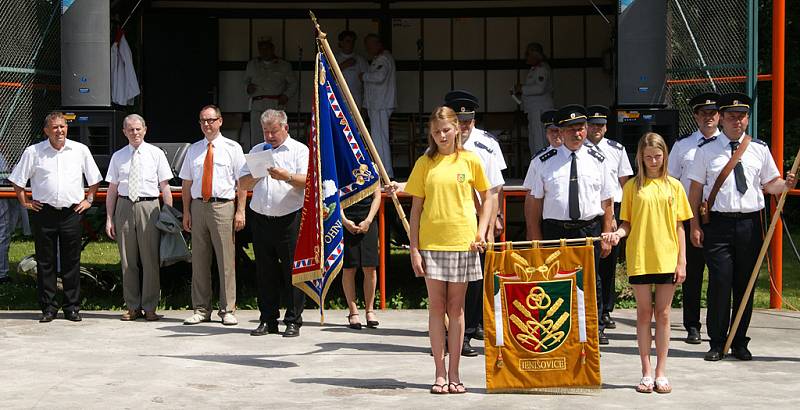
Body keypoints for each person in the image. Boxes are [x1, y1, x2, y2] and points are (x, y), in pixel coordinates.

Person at [687, 93, 797, 361]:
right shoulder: (706, 151)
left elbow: (771, 184)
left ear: (747, 119)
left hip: (750, 224)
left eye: (742, 116)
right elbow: (695, 191)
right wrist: (694, 226)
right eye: (732, 116)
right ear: (721, 118)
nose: (738, 121)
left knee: (744, 284)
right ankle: (716, 341)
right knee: (720, 282)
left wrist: (786, 185)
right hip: (718, 224)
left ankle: (739, 341)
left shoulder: (759, 149)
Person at [603, 132, 692, 394]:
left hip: (667, 256)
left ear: (664, 156)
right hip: (640, 255)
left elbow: (680, 227)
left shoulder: (674, 186)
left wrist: (682, 261)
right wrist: (618, 233)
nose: (653, 161)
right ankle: (646, 371)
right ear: (640, 157)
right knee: (643, 313)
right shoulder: (632, 187)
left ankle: (662, 371)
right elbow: (626, 222)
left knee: (663, 314)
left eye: (657, 156)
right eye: (648, 157)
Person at [526, 104, 615, 345]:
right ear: (561, 132)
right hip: (556, 230)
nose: (578, 134)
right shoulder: (543, 162)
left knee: (591, 281)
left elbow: (607, 200)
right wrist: (535, 239)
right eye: (572, 129)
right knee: (555, 281)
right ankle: (557, 332)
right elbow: (534, 203)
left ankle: (593, 330)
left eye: (582, 128)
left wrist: (607, 232)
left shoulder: (598, 159)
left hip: (589, 229)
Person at [8, 112, 102, 322]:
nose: (59, 131)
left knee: (72, 261)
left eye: (63, 126)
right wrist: (25, 202)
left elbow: (94, 178)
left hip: (72, 212)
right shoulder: (34, 152)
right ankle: (48, 308)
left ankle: (72, 307)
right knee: (45, 262)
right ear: (46, 131)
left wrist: (89, 199)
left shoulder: (80, 150)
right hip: (44, 213)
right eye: (55, 127)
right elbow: (17, 179)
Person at [442, 90, 504, 357]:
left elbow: (494, 188)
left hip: (477, 222)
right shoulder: (441, 144)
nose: (465, 126)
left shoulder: (487, 144)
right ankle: (457, 333)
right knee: (452, 283)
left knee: (476, 279)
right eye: (460, 121)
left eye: (469, 121)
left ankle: (469, 329)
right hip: (450, 222)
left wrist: (492, 223)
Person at [238, 109, 308, 338]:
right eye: (266, 132)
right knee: (265, 271)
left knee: (292, 272)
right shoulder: (258, 151)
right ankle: (268, 319)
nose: (269, 137)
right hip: (261, 217)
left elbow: (308, 181)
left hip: (289, 217)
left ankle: (293, 320)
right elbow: (243, 183)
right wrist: (257, 175)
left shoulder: (299, 150)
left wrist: (286, 176)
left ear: (285, 128)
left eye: (273, 132)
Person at [180, 105, 247, 326]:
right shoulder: (193, 149)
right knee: (199, 260)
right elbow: (187, 183)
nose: (207, 125)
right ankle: (201, 309)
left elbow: (242, 183)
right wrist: (186, 211)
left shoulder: (232, 148)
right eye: (203, 121)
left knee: (226, 260)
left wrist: (240, 210)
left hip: (223, 207)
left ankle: (227, 309)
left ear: (220, 121)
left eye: (211, 120)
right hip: (199, 207)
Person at [105, 114, 174, 321]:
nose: (134, 133)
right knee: (128, 260)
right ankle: (132, 306)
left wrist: (168, 215)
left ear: (145, 130)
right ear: (124, 132)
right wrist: (109, 218)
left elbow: (165, 186)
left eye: (138, 129)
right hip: (124, 206)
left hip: (149, 206)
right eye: (130, 129)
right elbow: (112, 190)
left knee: (150, 259)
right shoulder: (118, 156)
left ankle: (150, 306)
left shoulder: (156, 154)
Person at [667, 92, 721, 344]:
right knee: (692, 273)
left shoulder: (731, 145)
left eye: (712, 113)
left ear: (719, 116)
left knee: (721, 276)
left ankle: (718, 326)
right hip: (690, 217)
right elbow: (671, 181)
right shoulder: (683, 145)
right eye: (703, 113)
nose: (708, 118)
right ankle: (692, 325)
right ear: (696, 116)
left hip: (720, 217)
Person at [586, 105, 634, 330]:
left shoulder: (616, 149)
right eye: (593, 125)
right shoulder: (578, 149)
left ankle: (606, 310)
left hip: (613, 207)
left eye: (601, 125)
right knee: (590, 265)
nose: (597, 129)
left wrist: (621, 214)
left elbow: (626, 183)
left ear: (606, 127)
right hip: (590, 209)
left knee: (608, 262)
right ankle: (591, 309)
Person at [244, 38, 297, 149]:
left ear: (272, 49)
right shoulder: (252, 65)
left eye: (267, 48)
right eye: (261, 49)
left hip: (275, 104)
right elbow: (245, 82)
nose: (264, 51)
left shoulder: (283, 65)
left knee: (276, 133)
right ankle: (258, 160)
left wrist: (286, 95)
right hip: (257, 104)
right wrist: (248, 88)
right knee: (257, 136)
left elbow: (293, 84)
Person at [340, 187, 381, 330]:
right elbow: (333, 194)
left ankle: (370, 310)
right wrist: (344, 220)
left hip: (368, 218)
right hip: (346, 217)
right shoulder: (342, 166)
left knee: (370, 267)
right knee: (349, 268)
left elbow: (377, 196)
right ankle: (353, 312)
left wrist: (368, 220)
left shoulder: (372, 166)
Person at [361, 33, 397, 178]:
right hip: (376, 104)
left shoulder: (384, 58)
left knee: (380, 140)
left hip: (381, 104)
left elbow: (379, 77)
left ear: (378, 44)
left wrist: (363, 76)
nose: (368, 49)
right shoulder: (379, 58)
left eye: (370, 45)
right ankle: (383, 172)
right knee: (377, 140)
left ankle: (386, 173)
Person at [523, 109, 562, 239]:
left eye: (559, 130)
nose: (556, 134)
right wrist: (531, 230)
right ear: (546, 133)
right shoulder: (539, 160)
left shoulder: (583, 156)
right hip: (552, 225)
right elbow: (530, 197)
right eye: (552, 131)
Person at [516, 42, 554, 156]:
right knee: (533, 140)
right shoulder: (534, 70)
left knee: (539, 140)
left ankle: (542, 167)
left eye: (528, 54)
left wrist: (522, 88)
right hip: (533, 110)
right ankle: (536, 166)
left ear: (535, 54)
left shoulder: (542, 69)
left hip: (540, 110)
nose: (526, 57)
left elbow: (539, 89)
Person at [335, 30, 369, 109]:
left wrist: (365, 102)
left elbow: (367, 81)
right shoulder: (334, 59)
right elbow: (327, 76)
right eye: (348, 41)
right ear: (341, 43)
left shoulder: (361, 60)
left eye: (353, 41)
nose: (351, 44)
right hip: (339, 95)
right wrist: (343, 65)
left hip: (356, 97)